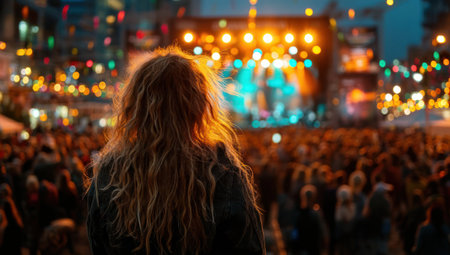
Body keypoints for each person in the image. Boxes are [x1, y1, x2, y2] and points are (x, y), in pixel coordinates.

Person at [87, 47, 265, 255]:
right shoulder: (222, 171)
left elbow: (98, 245)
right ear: (199, 107)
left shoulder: (110, 171)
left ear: (135, 107)